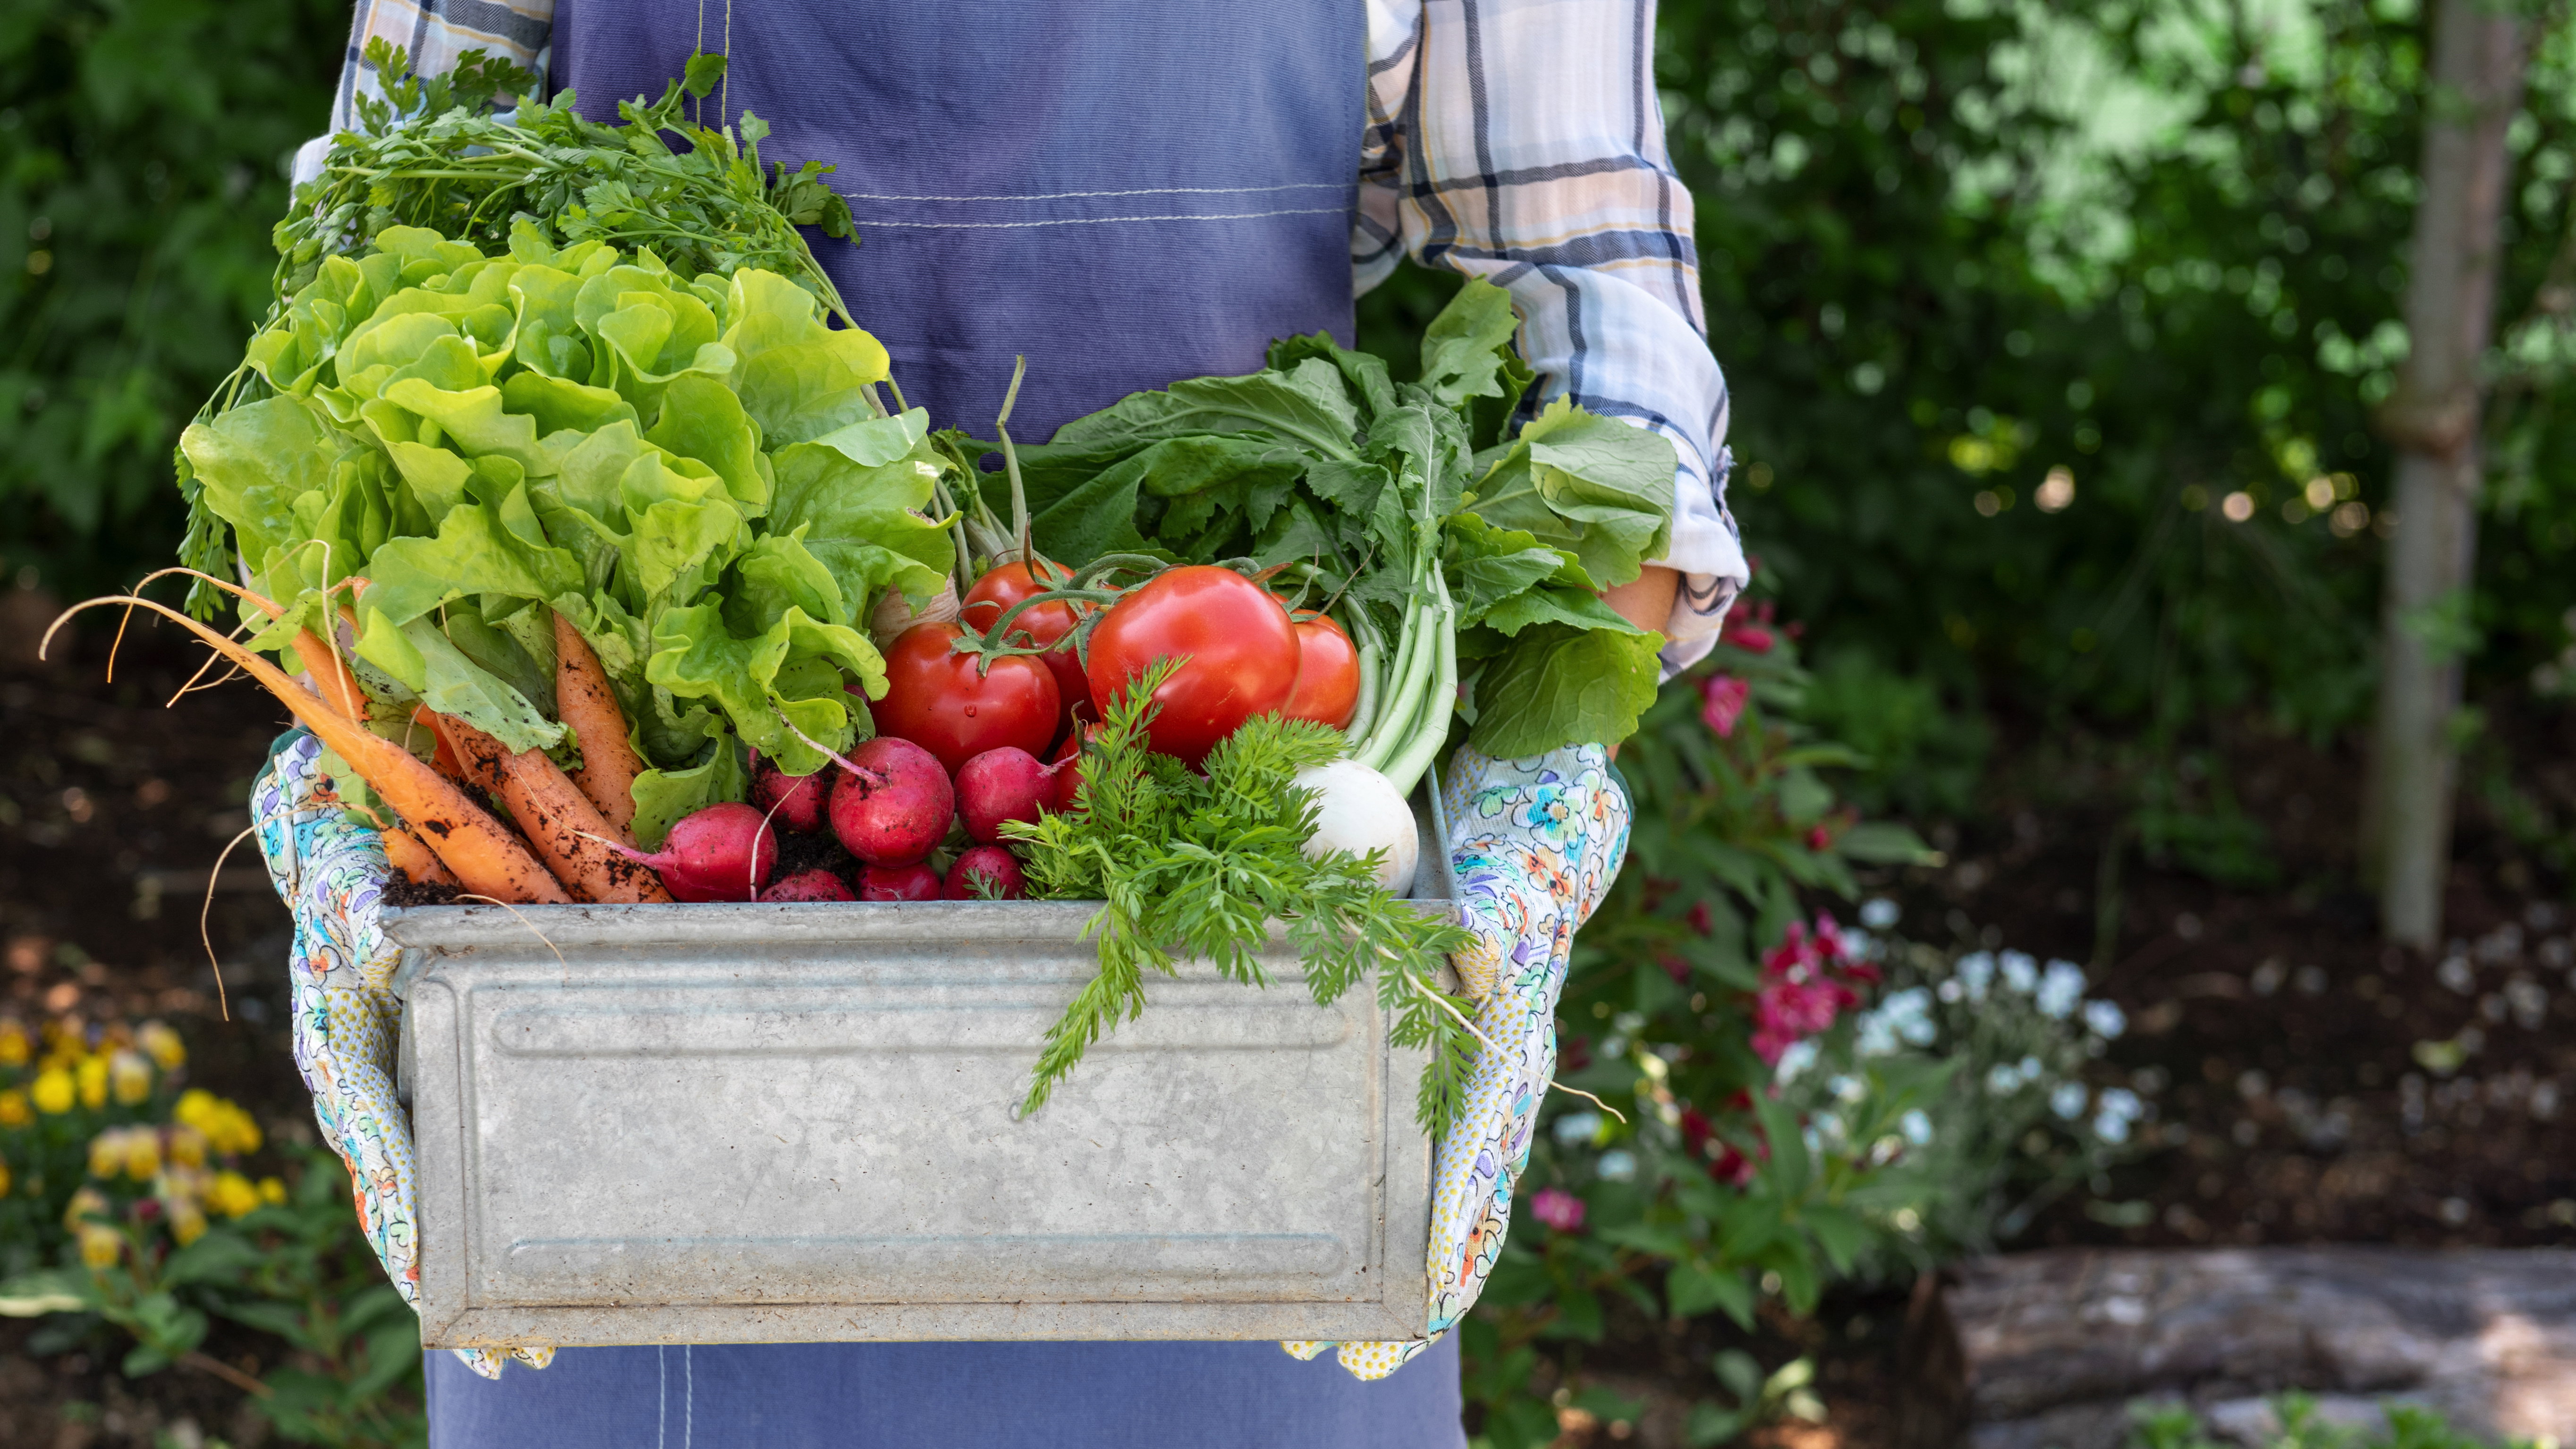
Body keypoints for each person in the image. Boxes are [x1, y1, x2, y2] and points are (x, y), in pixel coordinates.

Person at [272, 1, 1750, 1444]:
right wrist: (370, 746)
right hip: (653, 912)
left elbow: (1589, 265)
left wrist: (1535, 789)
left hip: (1232, 907)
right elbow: (381, 246)